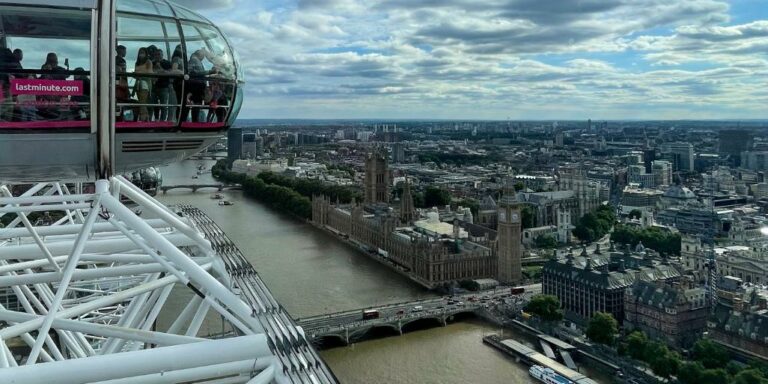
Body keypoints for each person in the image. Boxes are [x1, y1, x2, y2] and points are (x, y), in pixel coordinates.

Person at [186, 49, 216, 122]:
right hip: (196, 87)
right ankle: (195, 121)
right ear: (200, 54)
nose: (203, 57)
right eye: (203, 55)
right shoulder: (194, 60)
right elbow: (194, 73)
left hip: (197, 86)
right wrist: (210, 72)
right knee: (196, 104)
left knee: (197, 105)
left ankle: (195, 120)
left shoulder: (194, 60)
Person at [132, 47, 153, 121]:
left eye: (143, 53)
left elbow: (150, 72)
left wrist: (139, 73)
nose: (141, 55)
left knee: (143, 102)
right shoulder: (136, 63)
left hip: (145, 83)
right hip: (137, 84)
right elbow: (135, 73)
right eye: (140, 53)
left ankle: (145, 118)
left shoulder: (148, 62)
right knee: (141, 101)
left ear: (146, 54)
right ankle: (144, 118)